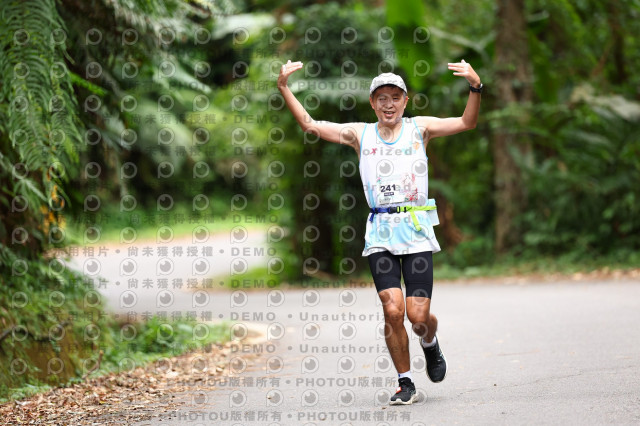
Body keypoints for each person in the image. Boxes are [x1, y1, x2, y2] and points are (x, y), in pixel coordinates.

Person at [278, 59, 482, 405]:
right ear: (373, 103)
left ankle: (429, 341)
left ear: (406, 101)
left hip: (415, 232)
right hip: (380, 235)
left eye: (395, 97)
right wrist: (284, 87)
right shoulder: (361, 134)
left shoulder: (420, 129)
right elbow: (310, 125)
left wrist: (476, 87)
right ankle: (405, 382)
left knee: (418, 316)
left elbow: (466, 122)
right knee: (392, 310)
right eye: (382, 98)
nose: (389, 104)